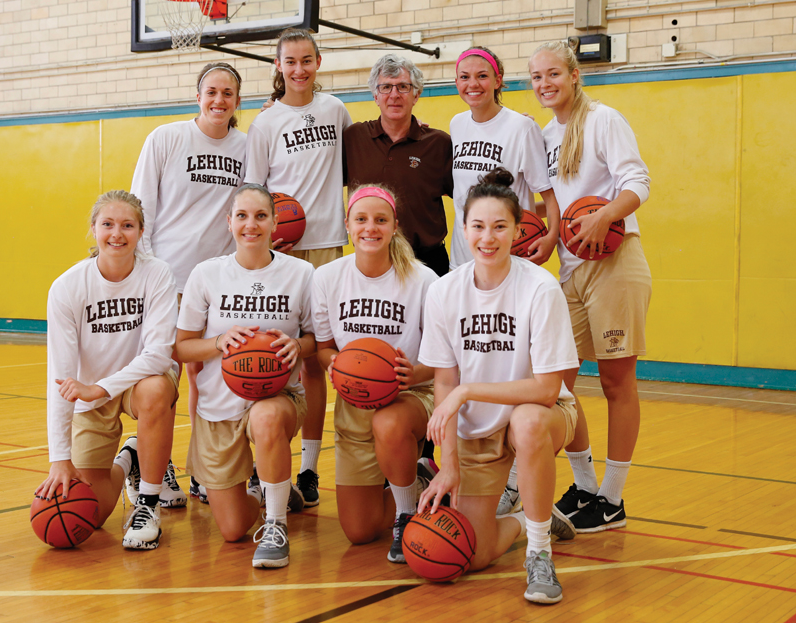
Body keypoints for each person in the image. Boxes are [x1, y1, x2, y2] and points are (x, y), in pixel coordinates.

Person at [417, 169, 578, 604]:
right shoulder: (444, 292)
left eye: (500, 226)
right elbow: (445, 381)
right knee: (474, 553)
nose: (488, 238)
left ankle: (540, 555)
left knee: (526, 424)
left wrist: (469, 393)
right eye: (478, 226)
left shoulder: (540, 288)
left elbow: (547, 389)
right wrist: (446, 463)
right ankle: (531, 520)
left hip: (544, 413)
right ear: (464, 229)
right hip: (478, 430)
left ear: (518, 229)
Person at [528, 41, 652, 534]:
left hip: (616, 261)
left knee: (616, 382)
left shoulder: (604, 119)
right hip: (568, 267)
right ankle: (583, 486)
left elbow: (637, 182)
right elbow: (553, 204)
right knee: (558, 383)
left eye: (553, 74)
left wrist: (604, 216)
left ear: (575, 75)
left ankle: (613, 498)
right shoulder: (543, 135)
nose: (544, 84)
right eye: (536, 77)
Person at [174, 184, 316, 569]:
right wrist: (218, 341)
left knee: (266, 417)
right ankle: (274, 491)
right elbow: (181, 348)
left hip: (279, 396)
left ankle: (275, 524)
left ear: (274, 222)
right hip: (220, 407)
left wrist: (298, 347)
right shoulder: (206, 274)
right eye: (242, 216)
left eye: (260, 216)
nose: (250, 225)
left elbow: (316, 340)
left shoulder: (301, 273)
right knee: (234, 528)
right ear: (229, 222)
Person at [130, 62, 248, 506]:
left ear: (238, 101)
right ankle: (148, 468)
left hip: (218, 282)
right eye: (211, 92)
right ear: (198, 95)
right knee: (164, 378)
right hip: (168, 277)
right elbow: (142, 206)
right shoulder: (166, 138)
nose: (219, 100)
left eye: (228, 93)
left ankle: (203, 469)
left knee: (211, 378)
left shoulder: (247, 145)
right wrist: (148, 272)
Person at [245, 28, 353, 507]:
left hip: (329, 246)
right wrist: (269, 238)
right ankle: (265, 468)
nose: (299, 69)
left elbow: (350, 173)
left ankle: (308, 469)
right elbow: (253, 192)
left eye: (307, 60)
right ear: (278, 66)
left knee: (315, 359)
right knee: (273, 356)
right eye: (290, 62)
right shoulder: (264, 125)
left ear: (319, 61)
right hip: (283, 252)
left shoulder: (336, 110)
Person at [37, 190, 180, 551]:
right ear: (93, 229)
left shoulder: (158, 274)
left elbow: (159, 355)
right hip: (90, 394)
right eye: (108, 224)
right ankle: (130, 456)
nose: (117, 234)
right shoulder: (67, 287)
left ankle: (147, 503)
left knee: (155, 390)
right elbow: (61, 375)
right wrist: (60, 460)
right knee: (91, 514)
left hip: (137, 383)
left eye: (127, 225)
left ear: (141, 232)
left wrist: (100, 388)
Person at [312, 185, 440, 563]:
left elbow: (444, 359)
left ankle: (406, 513)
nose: (371, 228)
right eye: (362, 220)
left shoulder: (423, 280)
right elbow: (323, 349)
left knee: (388, 421)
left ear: (395, 226)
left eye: (381, 220)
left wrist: (413, 373)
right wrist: (335, 364)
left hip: (412, 394)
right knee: (359, 530)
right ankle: (421, 480)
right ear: (347, 226)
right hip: (356, 400)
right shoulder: (327, 277)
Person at [343, 54, 453, 277]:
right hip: (371, 257)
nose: (394, 95)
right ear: (375, 95)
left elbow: (465, 198)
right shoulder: (353, 138)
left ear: (416, 94)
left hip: (426, 261)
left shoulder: (439, 143)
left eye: (403, 87)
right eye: (386, 87)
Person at [449, 47, 557, 270]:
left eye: (482, 76)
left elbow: (549, 196)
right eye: (464, 77)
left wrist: (552, 237)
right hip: (462, 261)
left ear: (497, 80)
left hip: (511, 259)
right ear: (457, 82)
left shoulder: (522, 128)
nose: (473, 84)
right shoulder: (456, 124)